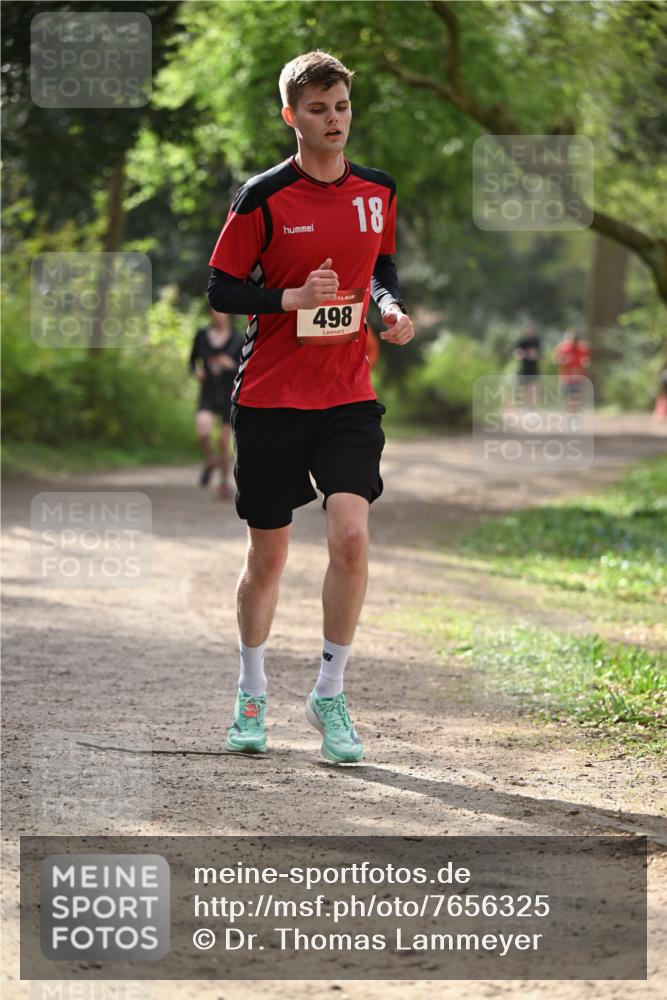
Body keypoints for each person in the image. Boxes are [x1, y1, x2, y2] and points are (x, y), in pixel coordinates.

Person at [207, 50, 414, 763]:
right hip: (270, 397)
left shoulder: (378, 190)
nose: (333, 120)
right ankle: (252, 690)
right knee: (268, 556)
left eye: (342, 107)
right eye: (318, 109)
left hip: (347, 393)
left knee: (350, 535)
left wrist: (387, 307)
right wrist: (288, 298)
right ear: (290, 115)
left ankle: (330, 692)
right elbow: (221, 287)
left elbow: (380, 266)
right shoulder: (262, 197)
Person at [189, 306, 244, 499]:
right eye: (214, 311)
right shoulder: (202, 335)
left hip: (229, 393)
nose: (218, 315)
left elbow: (246, 367)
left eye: (221, 311)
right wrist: (196, 371)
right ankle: (209, 461)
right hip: (209, 391)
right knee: (203, 431)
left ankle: (224, 482)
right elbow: (192, 362)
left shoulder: (238, 338)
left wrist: (232, 365)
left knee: (223, 441)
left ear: (228, 313)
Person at [553, 328, 591, 424]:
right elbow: (556, 360)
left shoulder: (583, 348)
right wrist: (563, 361)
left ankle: (575, 417)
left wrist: (585, 363)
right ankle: (570, 417)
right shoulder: (563, 348)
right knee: (569, 399)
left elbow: (586, 361)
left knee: (577, 399)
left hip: (579, 378)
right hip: (566, 378)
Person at [514, 322, 541, 408]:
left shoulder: (536, 341)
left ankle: (532, 405)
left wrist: (536, 356)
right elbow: (517, 353)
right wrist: (521, 355)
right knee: (525, 387)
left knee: (534, 387)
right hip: (524, 368)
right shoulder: (523, 341)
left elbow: (540, 354)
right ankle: (526, 405)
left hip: (534, 368)